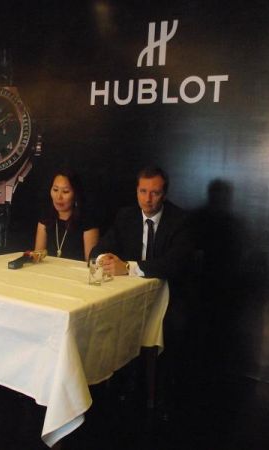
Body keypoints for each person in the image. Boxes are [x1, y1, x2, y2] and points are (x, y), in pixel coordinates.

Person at [89, 166, 193, 417]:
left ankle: (164, 393)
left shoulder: (180, 220)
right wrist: (105, 259)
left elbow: (174, 264)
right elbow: (97, 251)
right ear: (136, 191)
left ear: (164, 194)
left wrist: (129, 267)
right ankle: (116, 381)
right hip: (132, 296)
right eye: (143, 191)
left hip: (171, 294)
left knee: (177, 325)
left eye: (154, 193)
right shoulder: (125, 216)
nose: (148, 199)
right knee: (107, 317)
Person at [34, 169, 99, 261]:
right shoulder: (45, 218)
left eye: (65, 191)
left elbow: (91, 263)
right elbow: (37, 257)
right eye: (55, 190)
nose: (58, 197)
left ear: (75, 194)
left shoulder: (87, 221)